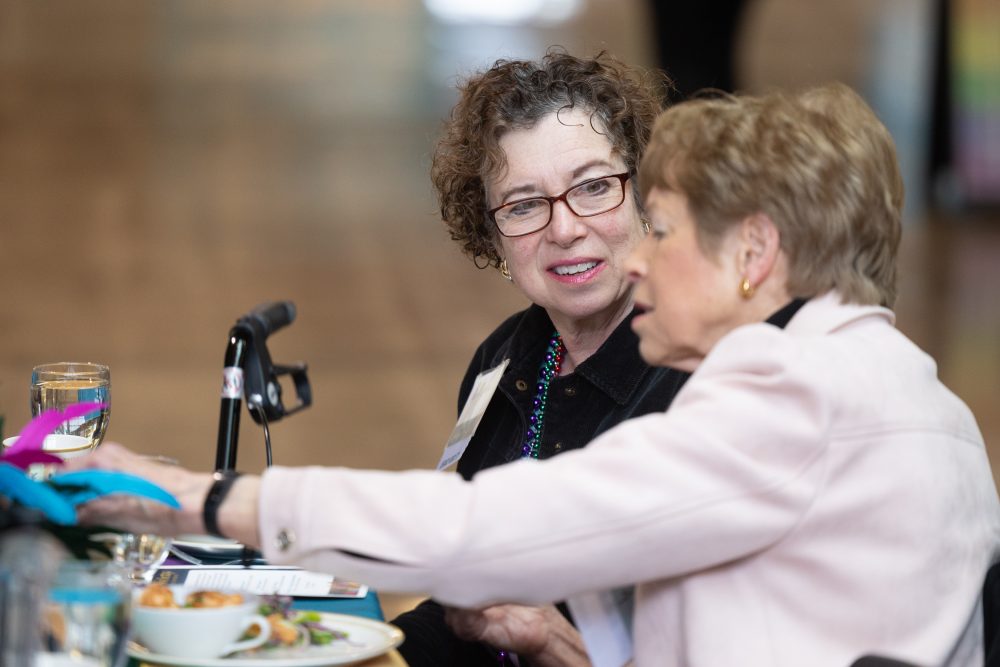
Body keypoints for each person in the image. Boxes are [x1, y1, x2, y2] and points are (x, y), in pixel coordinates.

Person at [70, 82, 1000, 666]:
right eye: (526, 205)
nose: (631, 257)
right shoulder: (904, 389)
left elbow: (495, 525)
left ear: (754, 253)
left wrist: (197, 497)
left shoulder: (792, 393)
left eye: (658, 227)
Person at [392, 50, 688, 665]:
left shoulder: (697, 383)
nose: (564, 228)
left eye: (594, 187)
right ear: (492, 234)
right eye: (525, 204)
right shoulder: (503, 360)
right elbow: (471, 615)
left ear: (648, 196)